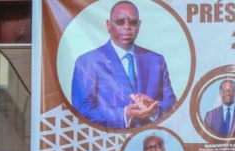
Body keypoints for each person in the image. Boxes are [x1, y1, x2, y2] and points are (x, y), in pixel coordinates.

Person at [70, 1, 176, 129]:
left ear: (139, 25)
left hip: (147, 136)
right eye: (120, 22)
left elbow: (171, 104)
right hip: (108, 142)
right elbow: (82, 110)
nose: (127, 27)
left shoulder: (156, 60)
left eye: (132, 22)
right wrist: (124, 114)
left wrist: (154, 110)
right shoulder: (88, 61)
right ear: (109, 25)